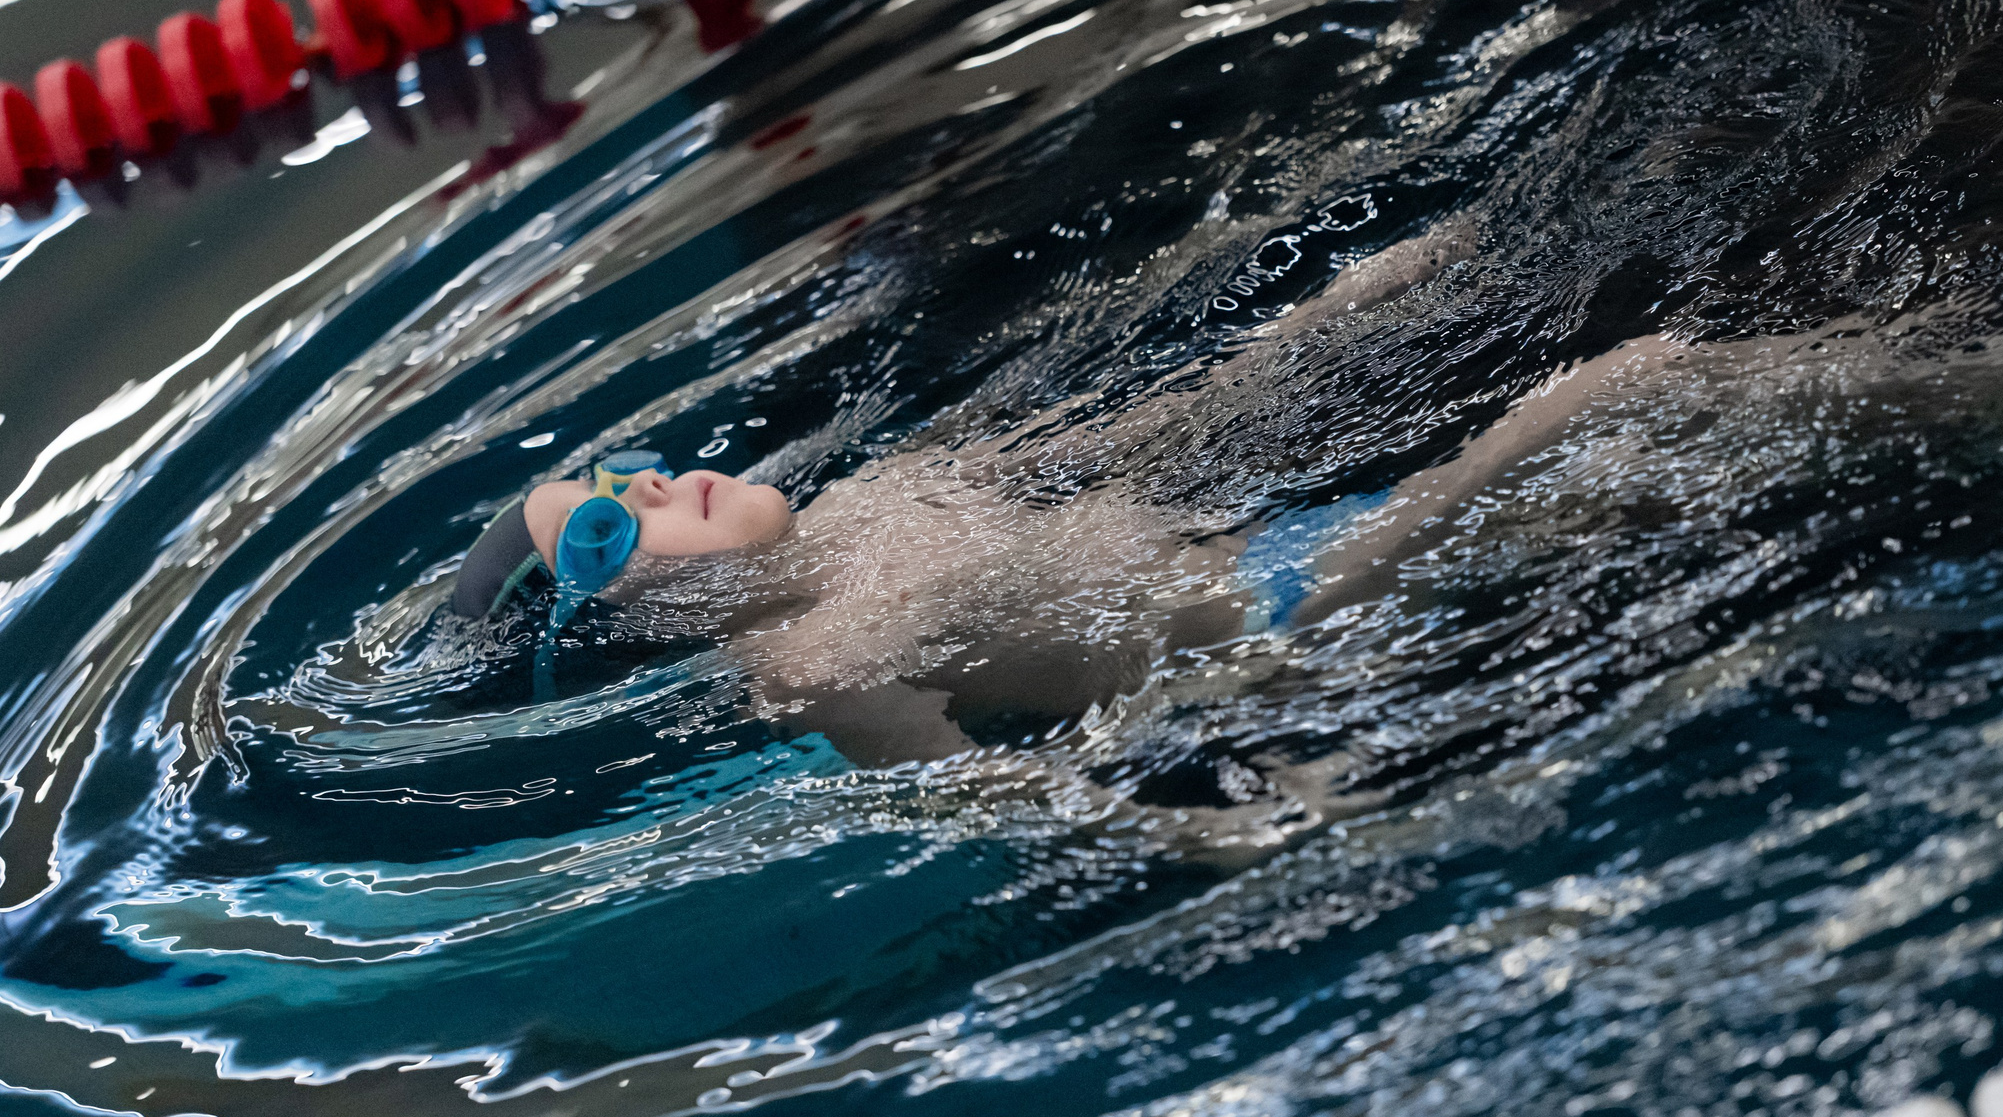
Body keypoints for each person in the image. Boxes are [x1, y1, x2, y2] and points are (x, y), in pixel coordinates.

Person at [450, 221, 1693, 764]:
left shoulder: (878, 492)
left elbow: (1155, 427)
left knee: (1501, 308)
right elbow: (992, 795)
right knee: (1626, 390)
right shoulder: (812, 666)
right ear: (625, 633)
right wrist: (1231, 835)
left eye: (627, 478)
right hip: (1299, 624)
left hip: (1246, 521)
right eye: (615, 526)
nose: (669, 483)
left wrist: (1327, 317)